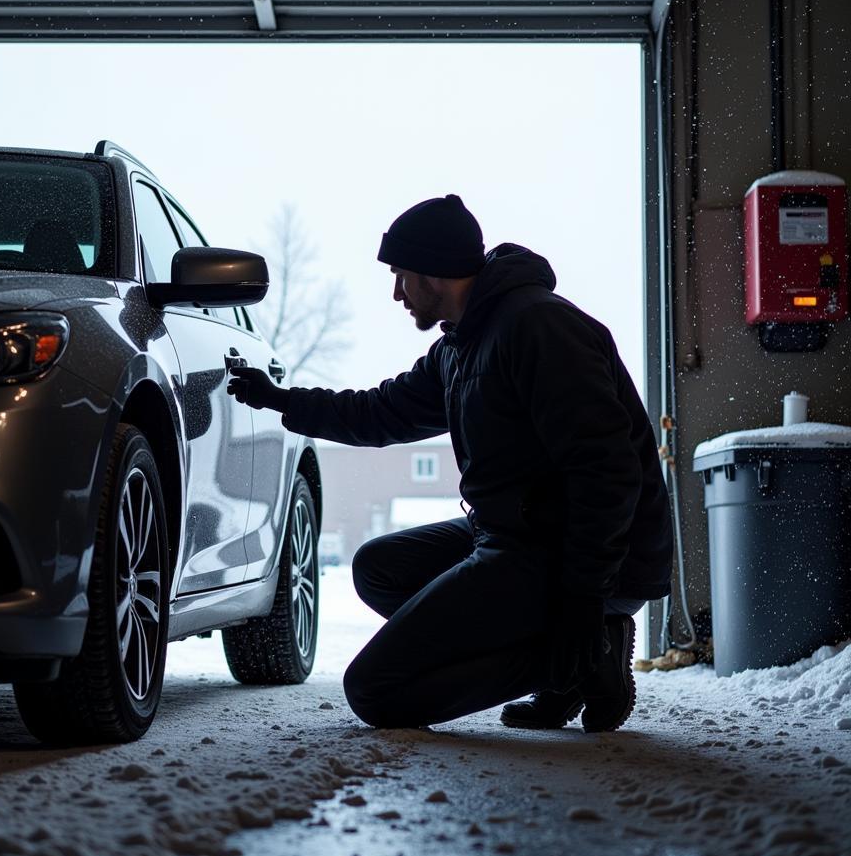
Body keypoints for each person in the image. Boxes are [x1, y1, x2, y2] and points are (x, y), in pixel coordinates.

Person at [228, 194, 673, 731]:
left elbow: (607, 471)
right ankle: (562, 664)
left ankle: (583, 652)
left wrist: (584, 597)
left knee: (376, 690)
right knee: (378, 569)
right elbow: (380, 412)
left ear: (434, 273)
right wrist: (280, 400)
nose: (396, 294)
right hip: (519, 537)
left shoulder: (538, 328)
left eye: (400, 276)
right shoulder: (461, 347)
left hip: (586, 554)